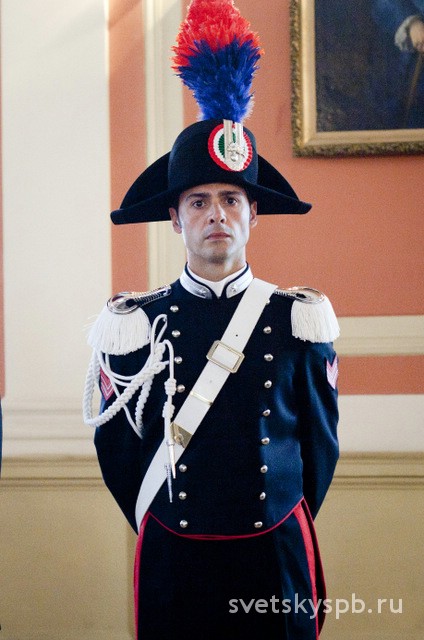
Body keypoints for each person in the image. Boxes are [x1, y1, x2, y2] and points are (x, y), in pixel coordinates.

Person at [83, 1, 340, 638]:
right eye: (198, 201)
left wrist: (280, 512)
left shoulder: (299, 319)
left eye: (231, 199)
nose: (216, 214)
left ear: (254, 214)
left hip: (275, 548)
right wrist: (164, 520)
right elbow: (120, 456)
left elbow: (319, 450)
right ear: (175, 219)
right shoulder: (134, 325)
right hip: (176, 554)